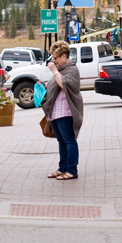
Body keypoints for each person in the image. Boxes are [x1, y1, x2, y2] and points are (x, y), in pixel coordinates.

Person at [42, 40, 84, 180]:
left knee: (69, 140)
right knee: (61, 140)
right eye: (53, 58)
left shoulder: (72, 69)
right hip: (55, 110)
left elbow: (64, 84)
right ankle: (62, 168)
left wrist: (54, 71)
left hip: (66, 111)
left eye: (56, 58)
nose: (54, 61)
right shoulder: (60, 70)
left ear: (64, 56)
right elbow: (55, 85)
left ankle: (72, 170)